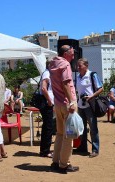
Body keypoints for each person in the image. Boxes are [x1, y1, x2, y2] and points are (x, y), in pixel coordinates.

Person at [49, 45, 79, 173]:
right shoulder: (65, 64)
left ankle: (55, 161)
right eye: (72, 53)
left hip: (58, 103)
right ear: (65, 53)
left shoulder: (53, 63)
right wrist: (72, 101)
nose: (73, 55)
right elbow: (66, 83)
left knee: (60, 134)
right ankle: (64, 164)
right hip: (67, 104)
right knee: (69, 136)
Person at [75, 58, 103, 158]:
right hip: (80, 105)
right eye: (77, 66)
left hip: (90, 106)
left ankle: (95, 149)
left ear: (86, 66)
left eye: (80, 66)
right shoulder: (78, 77)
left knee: (93, 128)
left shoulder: (92, 75)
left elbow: (101, 88)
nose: (78, 68)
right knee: (81, 128)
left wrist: (91, 96)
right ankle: (82, 147)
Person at [39, 61, 55, 158]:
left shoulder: (47, 73)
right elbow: (44, 88)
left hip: (47, 102)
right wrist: (49, 100)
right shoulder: (47, 73)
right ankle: (45, 151)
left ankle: (45, 150)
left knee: (47, 126)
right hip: (46, 102)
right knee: (48, 127)